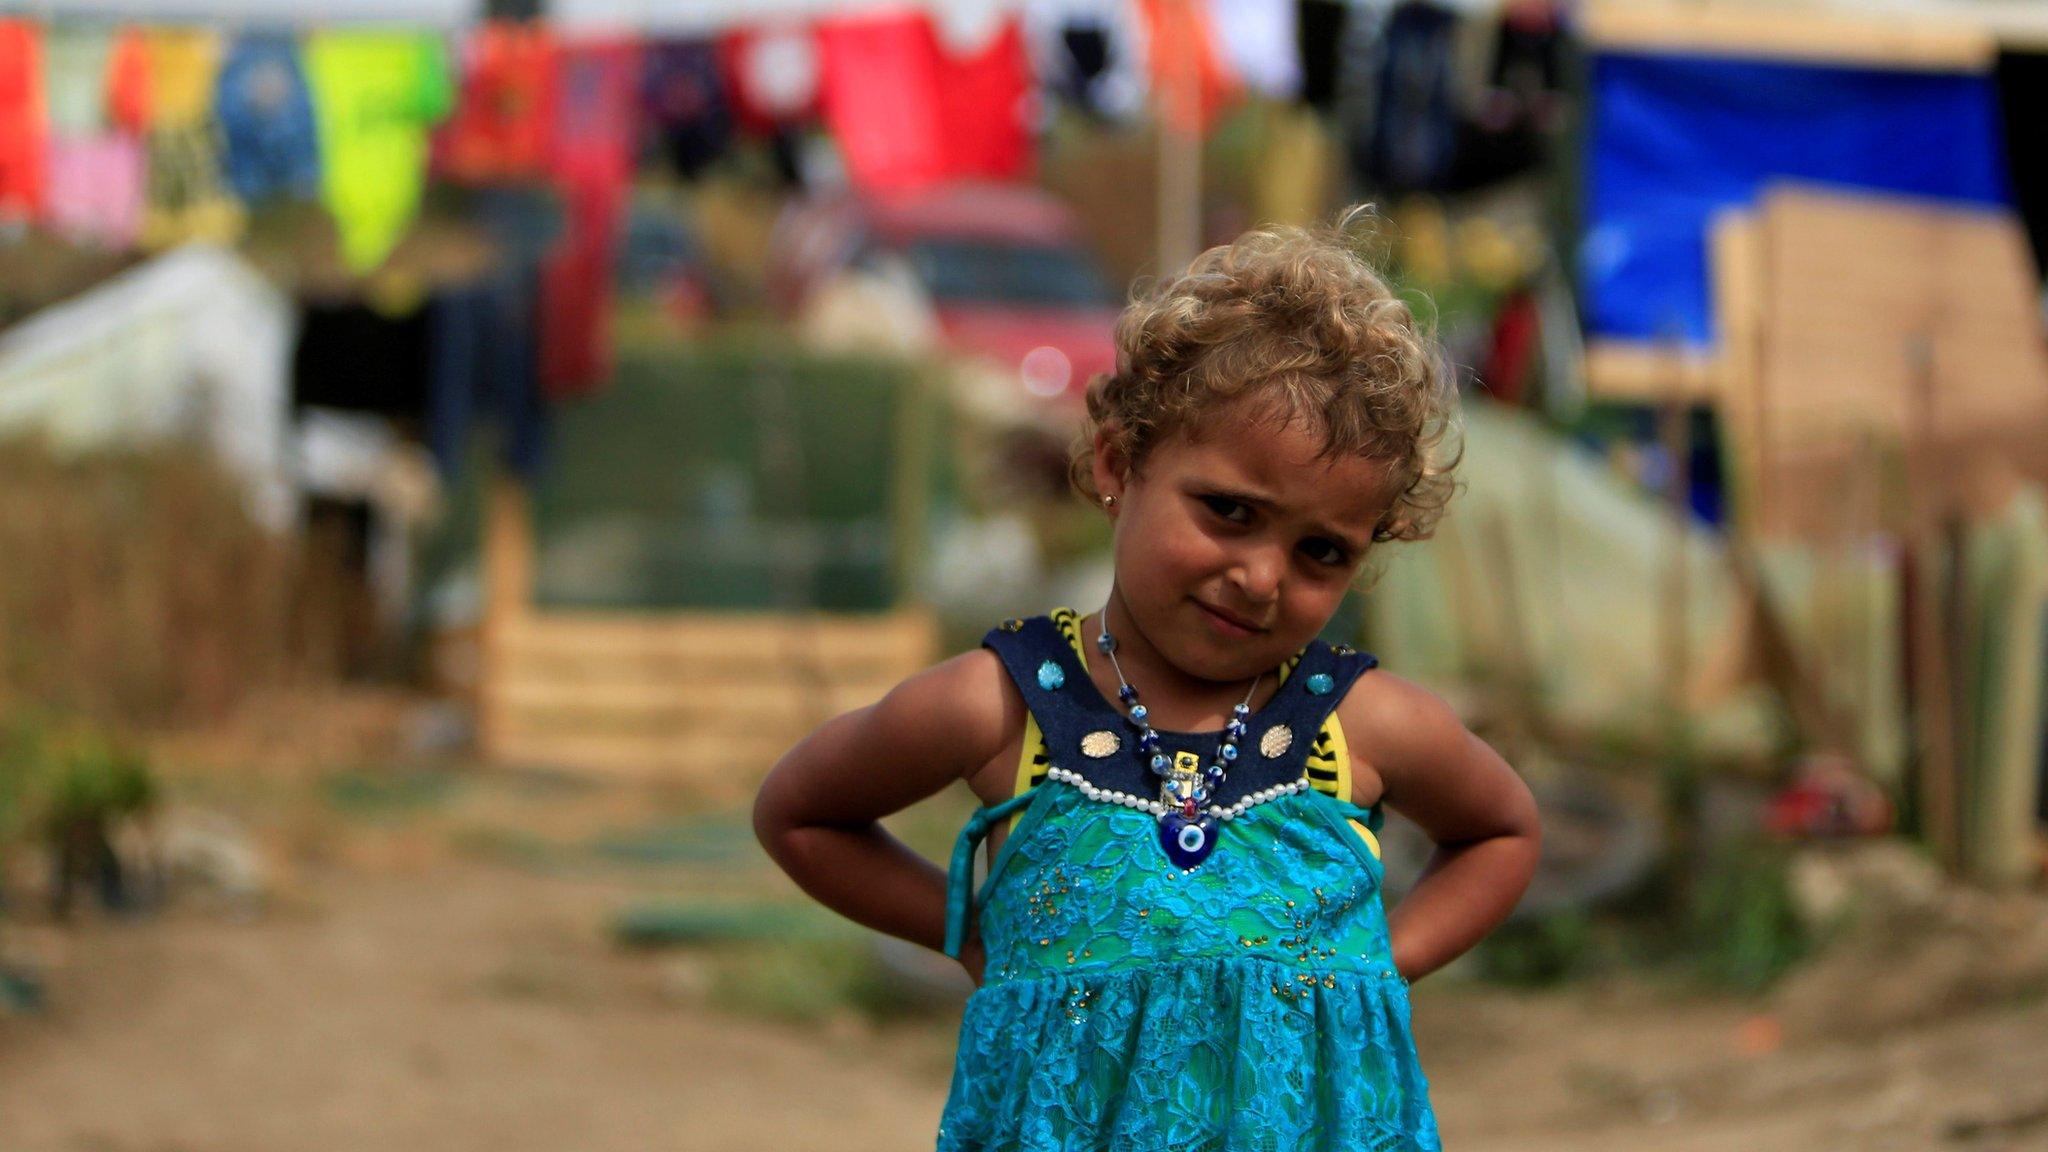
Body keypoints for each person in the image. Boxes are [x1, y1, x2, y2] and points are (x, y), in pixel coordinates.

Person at [754, 212, 1541, 1151]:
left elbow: (1504, 830)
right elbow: (799, 814)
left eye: (1321, 551)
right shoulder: (1005, 706)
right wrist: (970, 931)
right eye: (1229, 511)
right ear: (1120, 463)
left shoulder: (1364, 726)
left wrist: (1379, 964)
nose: (1260, 576)